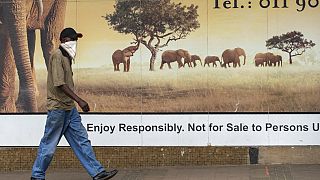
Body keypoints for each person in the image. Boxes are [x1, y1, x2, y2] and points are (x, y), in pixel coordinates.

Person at [31, 27, 118, 180]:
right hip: (58, 108)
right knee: (49, 145)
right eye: (71, 39)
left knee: (82, 140)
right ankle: (37, 176)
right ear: (63, 40)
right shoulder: (57, 56)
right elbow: (60, 83)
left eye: (75, 40)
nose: (73, 42)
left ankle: (97, 172)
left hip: (69, 108)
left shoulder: (67, 57)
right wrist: (79, 100)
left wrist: (74, 103)